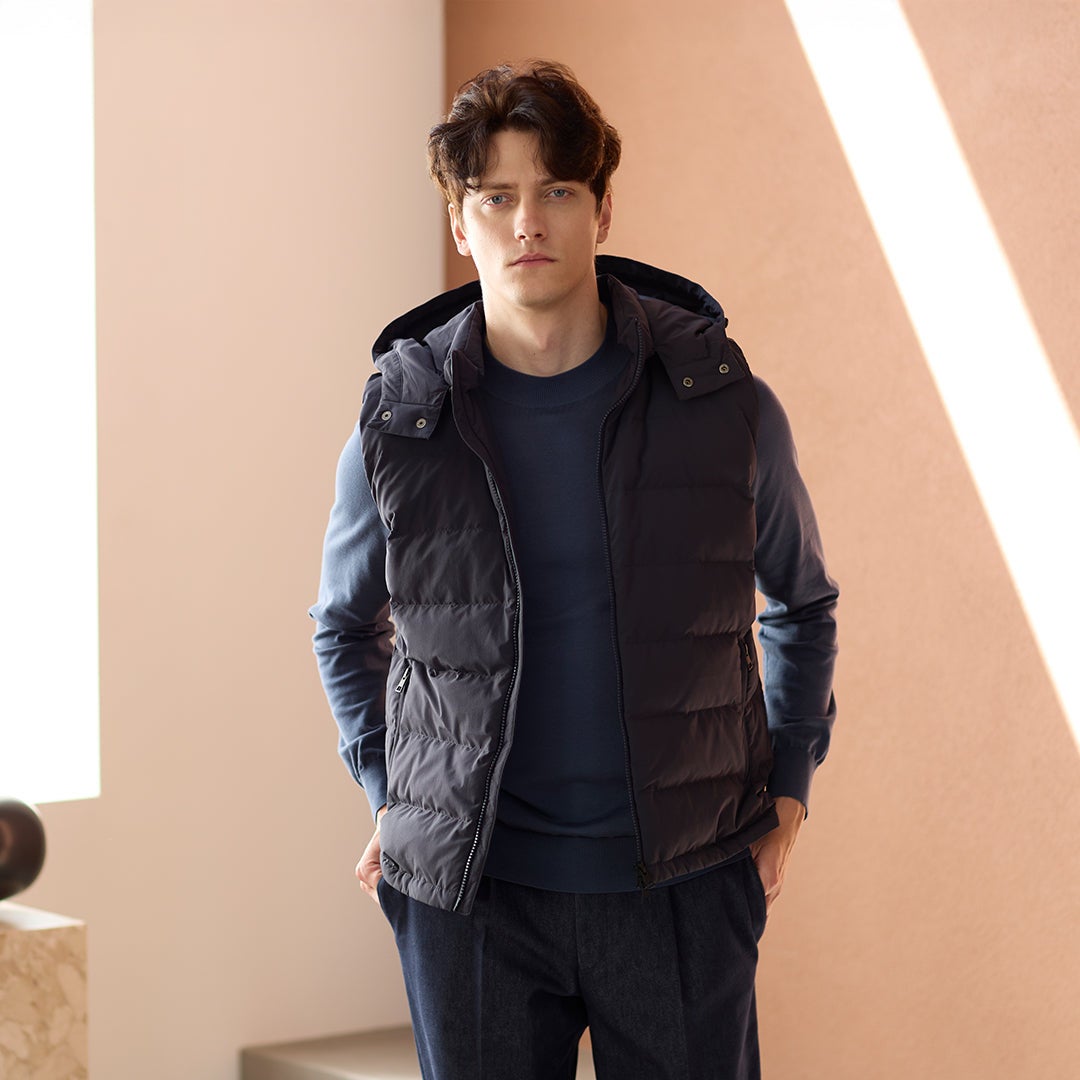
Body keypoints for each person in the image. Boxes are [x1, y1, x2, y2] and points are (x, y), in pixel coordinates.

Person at [311, 60, 838, 1080]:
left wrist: (789, 792)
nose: (527, 223)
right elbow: (342, 625)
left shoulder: (720, 403)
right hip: (473, 902)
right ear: (460, 223)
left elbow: (802, 604)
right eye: (495, 197)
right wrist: (389, 792)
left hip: (685, 885)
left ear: (602, 207)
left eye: (556, 189)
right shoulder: (402, 421)